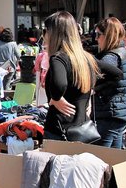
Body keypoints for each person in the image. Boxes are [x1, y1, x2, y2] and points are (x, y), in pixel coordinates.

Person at [43, 11, 100, 141]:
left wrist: (55, 98)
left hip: (60, 129)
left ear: (53, 33)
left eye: (45, 31)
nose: (44, 36)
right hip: (83, 128)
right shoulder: (86, 58)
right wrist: (91, 92)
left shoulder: (58, 58)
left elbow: (59, 84)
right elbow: (115, 74)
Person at [93, 17, 126, 148]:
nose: (95, 38)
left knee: (102, 157)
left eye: (98, 34)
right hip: (119, 111)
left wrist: (95, 88)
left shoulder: (110, 57)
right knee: (115, 157)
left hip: (110, 111)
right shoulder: (121, 50)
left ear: (108, 36)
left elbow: (102, 78)